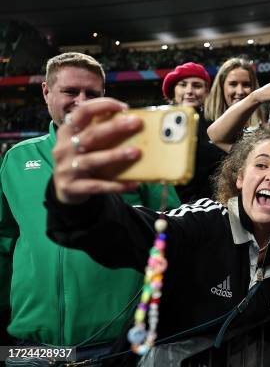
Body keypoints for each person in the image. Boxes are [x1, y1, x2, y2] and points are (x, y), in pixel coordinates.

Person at [45, 101, 270, 357]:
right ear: (239, 178)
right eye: (261, 165)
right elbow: (138, 233)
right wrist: (78, 202)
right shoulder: (206, 220)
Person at [0, 53, 180, 354]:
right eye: (71, 92)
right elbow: (5, 238)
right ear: (46, 92)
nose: (82, 102)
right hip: (31, 342)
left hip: (115, 343)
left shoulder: (135, 155)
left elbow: (170, 232)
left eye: (92, 94)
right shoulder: (16, 159)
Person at [161, 62, 226, 202]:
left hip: (207, 208)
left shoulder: (216, 125)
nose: (189, 91)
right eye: (183, 85)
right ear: (173, 91)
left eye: (197, 85)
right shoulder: (158, 124)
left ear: (206, 91)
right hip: (167, 207)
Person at [203, 57, 265, 134]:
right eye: (233, 84)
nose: (240, 91)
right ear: (221, 87)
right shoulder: (203, 124)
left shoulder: (264, 122)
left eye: (246, 85)